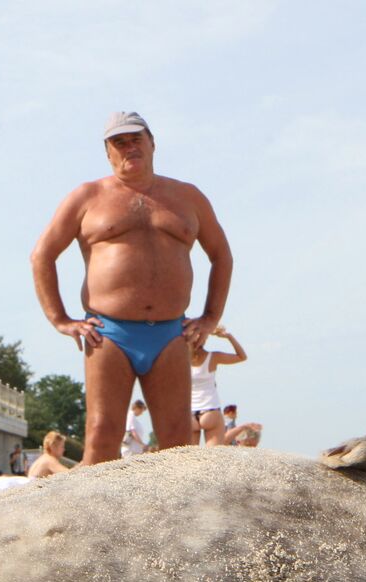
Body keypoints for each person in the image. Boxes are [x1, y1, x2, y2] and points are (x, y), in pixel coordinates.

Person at [31, 110, 233, 465]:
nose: (128, 148)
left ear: (152, 143)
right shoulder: (87, 196)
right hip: (109, 332)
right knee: (101, 434)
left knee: (177, 439)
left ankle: (175, 520)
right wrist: (61, 319)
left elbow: (222, 255)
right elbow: (42, 255)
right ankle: (89, 520)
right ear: (108, 152)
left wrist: (210, 317)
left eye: (135, 139)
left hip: (172, 332)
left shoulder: (187, 196)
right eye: (119, 143)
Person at [189, 327, 248, 446]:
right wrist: (228, 336)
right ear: (204, 339)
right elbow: (242, 356)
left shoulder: (181, 359)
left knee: (189, 460)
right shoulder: (213, 357)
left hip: (189, 412)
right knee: (213, 459)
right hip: (210, 409)